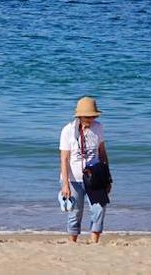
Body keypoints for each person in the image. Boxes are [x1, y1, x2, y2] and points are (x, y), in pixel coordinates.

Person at [59, 96, 111, 243]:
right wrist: (65, 184)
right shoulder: (68, 130)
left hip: (95, 177)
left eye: (93, 116)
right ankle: (72, 242)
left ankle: (94, 242)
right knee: (75, 212)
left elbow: (102, 153)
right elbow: (64, 158)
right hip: (73, 179)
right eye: (88, 116)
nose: (91, 119)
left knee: (100, 208)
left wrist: (108, 178)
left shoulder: (98, 128)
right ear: (80, 116)